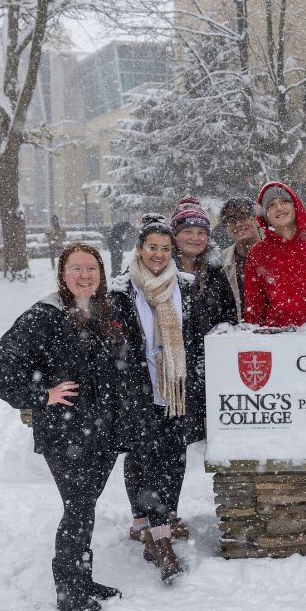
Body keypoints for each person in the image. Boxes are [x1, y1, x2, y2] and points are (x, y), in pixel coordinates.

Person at [0, 243, 131, 611]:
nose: (85, 275)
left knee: (85, 505)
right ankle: (69, 589)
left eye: (91, 268)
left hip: (104, 429)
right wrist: (41, 395)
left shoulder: (108, 310)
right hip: (66, 432)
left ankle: (82, 578)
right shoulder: (45, 315)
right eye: (76, 269)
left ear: (101, 272)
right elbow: (3, 362)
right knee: (79, 507)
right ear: (62, 274)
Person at [109, 214, 210, 582]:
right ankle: (157, 535)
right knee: (145, 458)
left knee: (173, 455)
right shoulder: (121, 290)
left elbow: (195, 336)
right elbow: (115, 342)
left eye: (166, 248)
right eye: (152, 247)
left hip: (177, 388)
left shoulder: (183, 285)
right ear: (139, 249)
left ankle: (163, 516)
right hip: (140, 389)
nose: (159, 254)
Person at [243, 181, 306, 327]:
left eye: (284, 201)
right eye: (271, 205)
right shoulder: (258, 253)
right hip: (279, 335)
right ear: (265, 215)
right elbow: (254, 304)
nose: (279, 208)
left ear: (295, 205)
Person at [171, 196, 237, 328]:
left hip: (212, 347)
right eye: (188, 231)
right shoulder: (163, 270)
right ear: (174, 235)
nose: (195, 238)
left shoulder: (216, 271)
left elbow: (229, 315)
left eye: (201, 232)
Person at [219, 196, 263, 324]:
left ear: (256, 219)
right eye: (231, 220)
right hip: (237, 336)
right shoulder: (221, 261)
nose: (238, 224)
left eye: (242, 217)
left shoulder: (275, 254)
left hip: (275, 333)